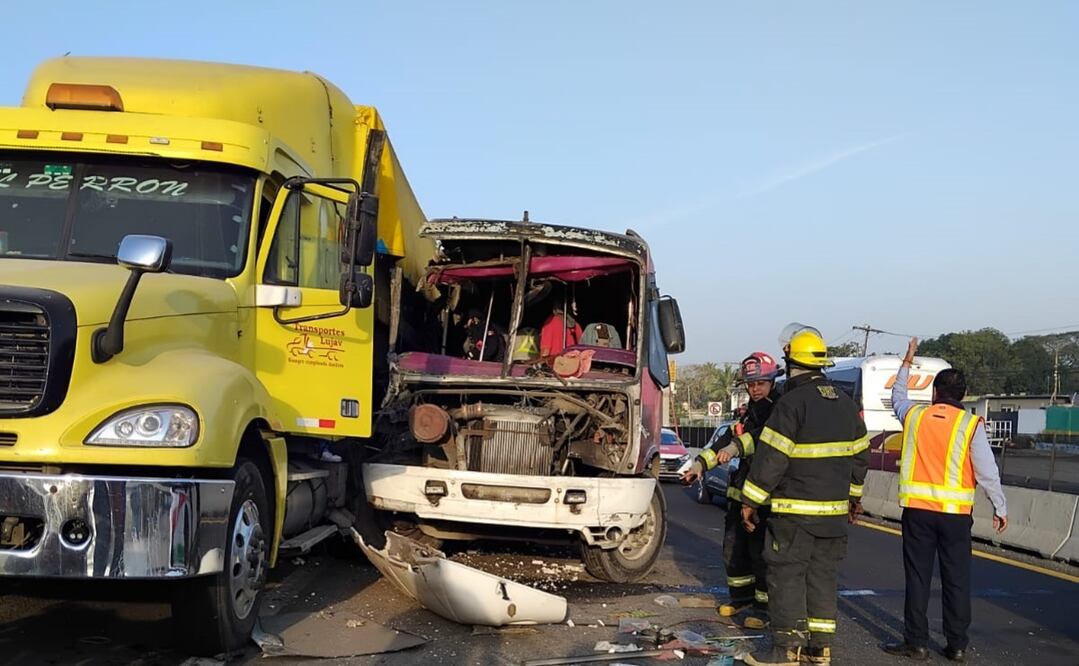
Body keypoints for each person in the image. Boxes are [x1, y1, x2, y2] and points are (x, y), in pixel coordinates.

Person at [739, 328, 868, 666]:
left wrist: (750, 501)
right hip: (834, 517)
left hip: (794, 515)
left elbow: (772, 459)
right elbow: (860, 456)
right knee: (822, 579)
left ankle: (784, 651)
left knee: (786, 578)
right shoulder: (845, 404)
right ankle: (819, 649)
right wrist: (854, 498)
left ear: (791, 363)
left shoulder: (790, 404)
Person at [883, 338, 1008, 663]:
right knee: (956, 580)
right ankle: (956, 645)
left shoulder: (914, 416)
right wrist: (1000, 505)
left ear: (934, 392)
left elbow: (897, 396)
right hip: (955, 517)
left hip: (918, 513)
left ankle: (917, 643)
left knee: (918, 579)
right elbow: (986, 471)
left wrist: (908, 361)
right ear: (963, 396)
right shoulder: (970, 424)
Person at [681, 352, 782, 630]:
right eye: (751, 384)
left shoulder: (779, 412)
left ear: (773, 381)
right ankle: (741, 598)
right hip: (738, 495)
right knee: (734, 552)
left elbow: (760, 440)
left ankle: (764, 608)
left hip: (763, 500)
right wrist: (700, 465)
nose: (756, 388)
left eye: (761, 382)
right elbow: (725, 442)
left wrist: (735, 447)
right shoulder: (748, 412)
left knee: (762, 556)